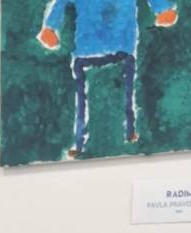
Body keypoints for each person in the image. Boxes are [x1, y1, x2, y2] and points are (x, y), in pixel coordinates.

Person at [37, 0, 178, 158]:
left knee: (115, 93)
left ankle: (123, 133)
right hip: (103, 45)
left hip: (105, 45)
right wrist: (49, 28)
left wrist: (50, 28)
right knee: (99, 95)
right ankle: (91, 140)